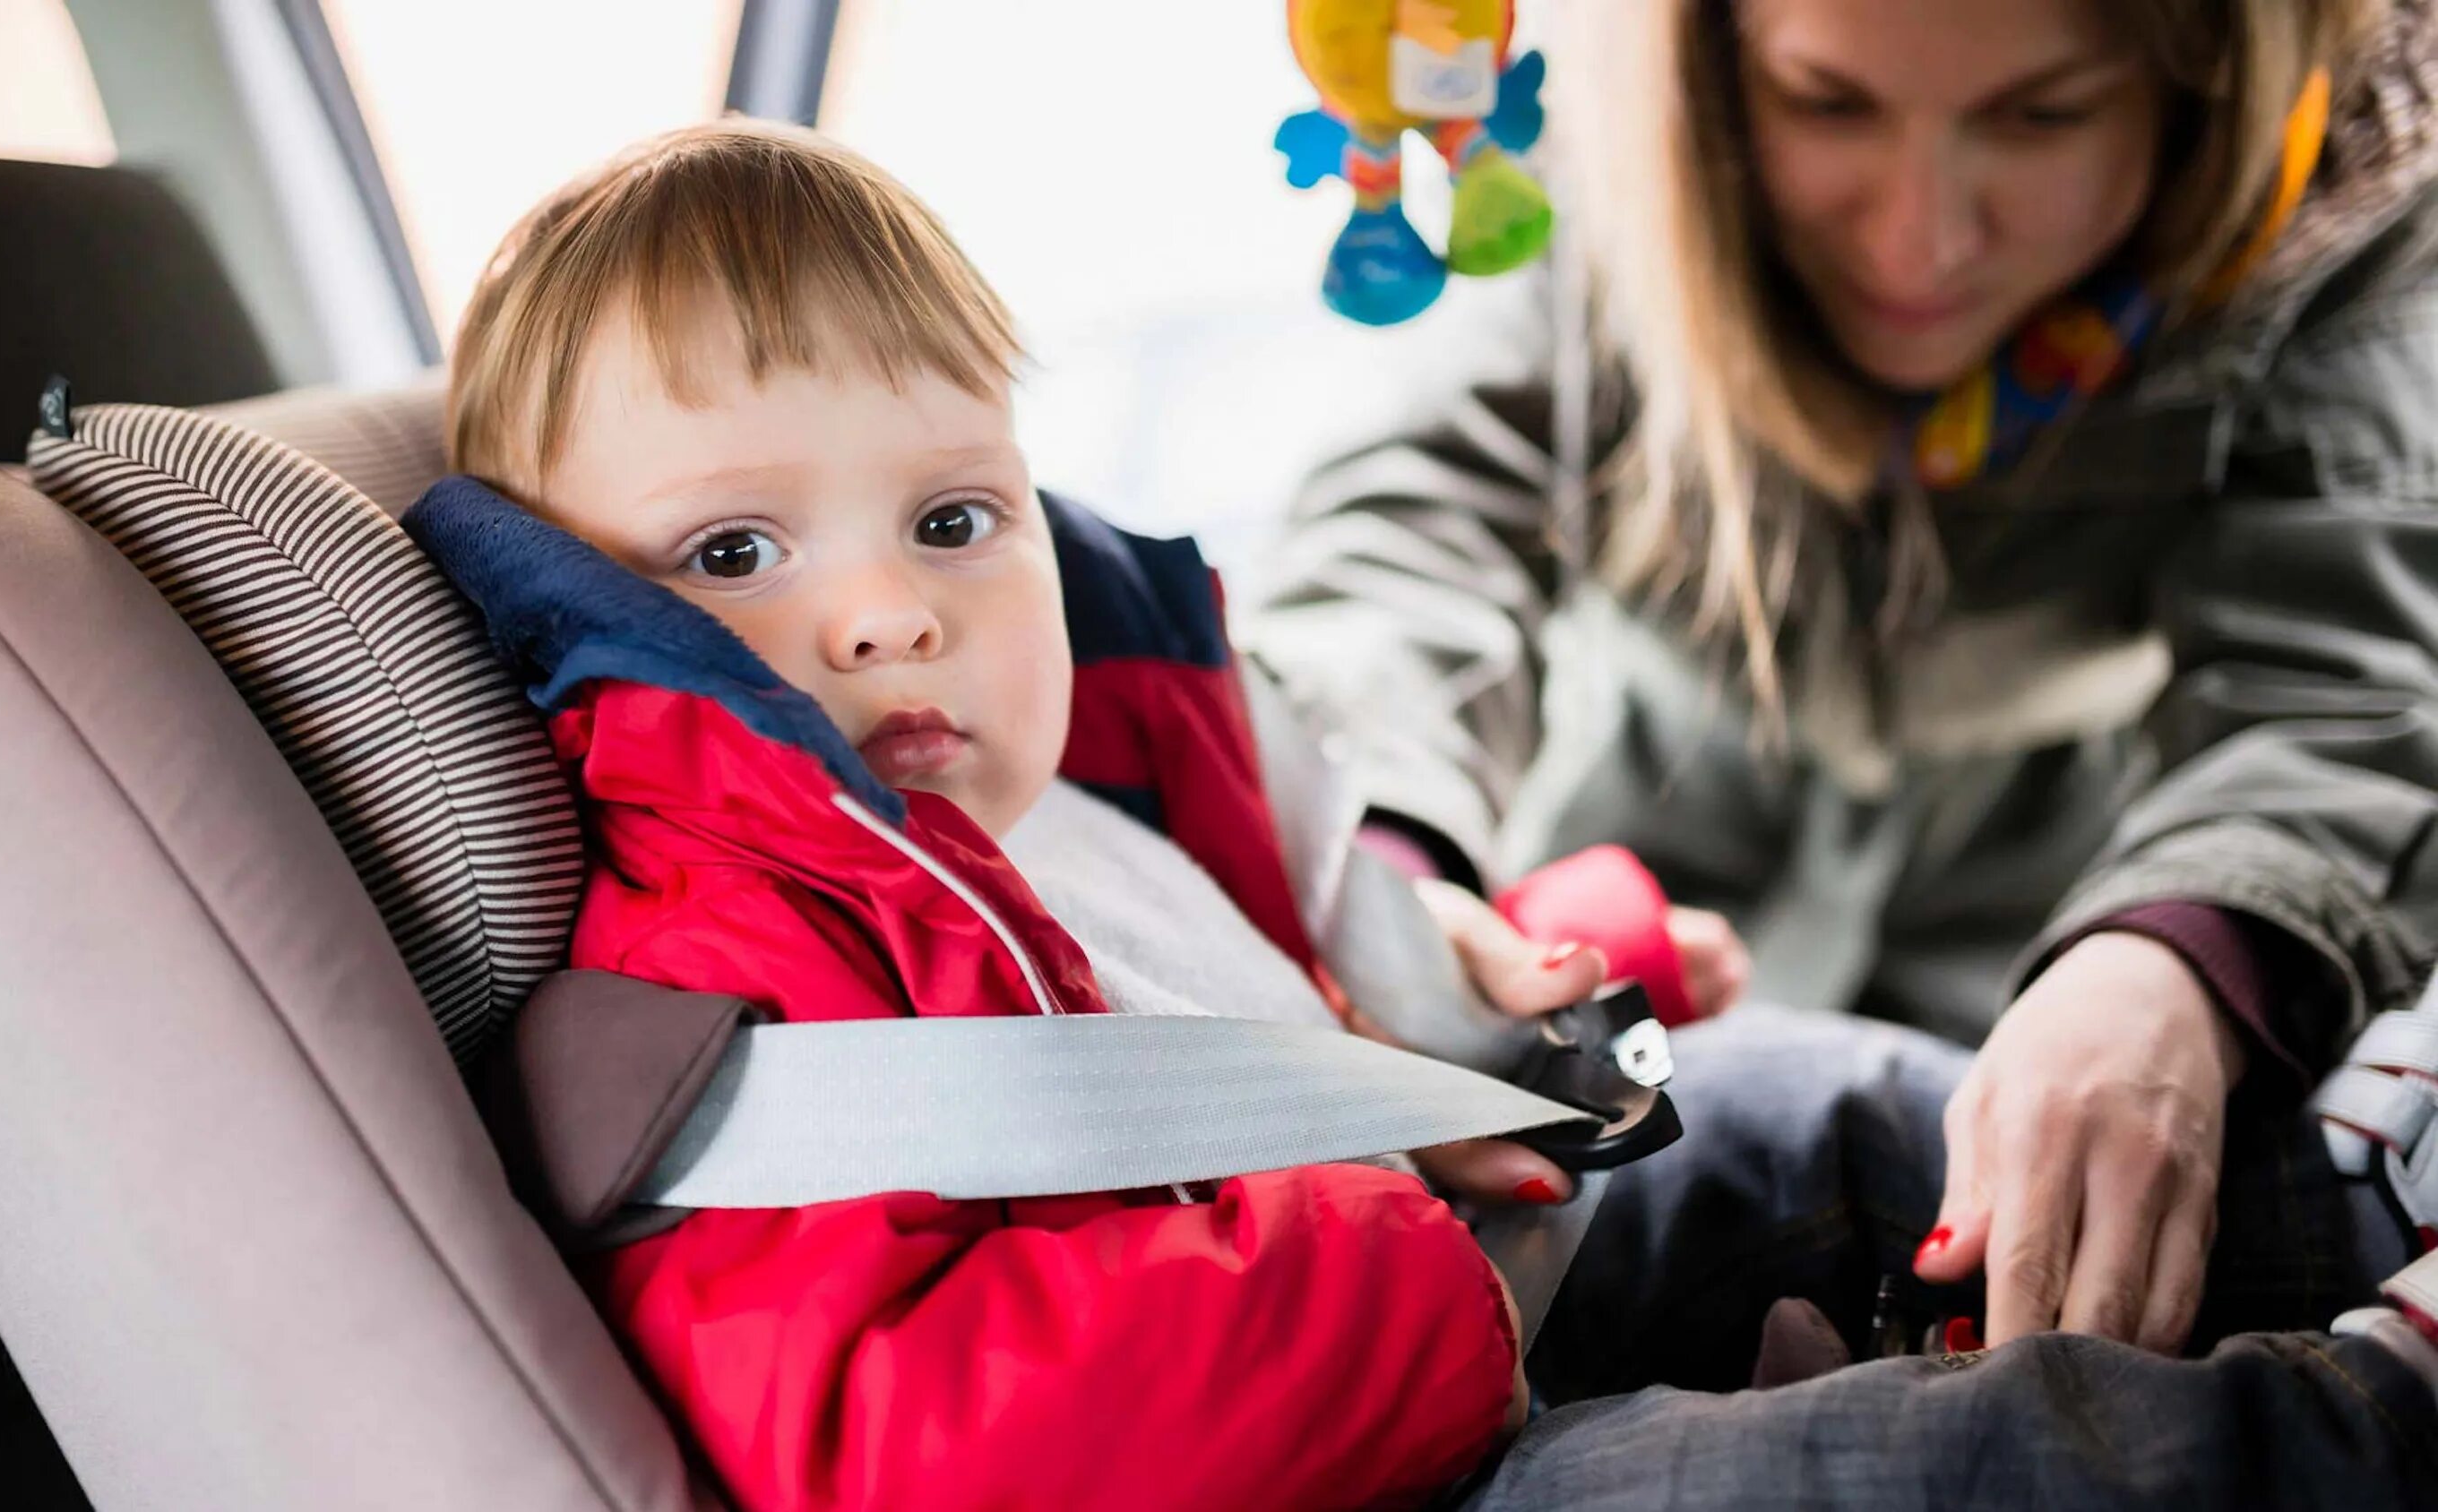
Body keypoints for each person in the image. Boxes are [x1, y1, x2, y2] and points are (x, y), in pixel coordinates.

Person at [406, 118, 2438, 1511]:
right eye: (732, 549)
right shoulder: (723, 994)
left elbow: (1269, 1014)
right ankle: (2369, 1420)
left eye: (955, 519)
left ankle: (2344, 1178)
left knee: (1806, 1101)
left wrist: (1532, 974)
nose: (883, 606)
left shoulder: (1068, 813)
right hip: (1352, 1450)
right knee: (1934, 1476)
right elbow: (908, 1447)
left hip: (1418, 1300)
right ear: (577, 607)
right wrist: (1390, 1233)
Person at [1251, 0, 2438, 1355]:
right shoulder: (1586, 149)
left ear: (2214, 80)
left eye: (2043, 115)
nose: (1919, 238)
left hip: (2062, 909)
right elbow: (1413, 524)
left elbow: (2349, 686)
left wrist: (2183, 957)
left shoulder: (2368, 200)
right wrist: (1384, 868)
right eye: (1827, 104)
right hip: (1617, 849)